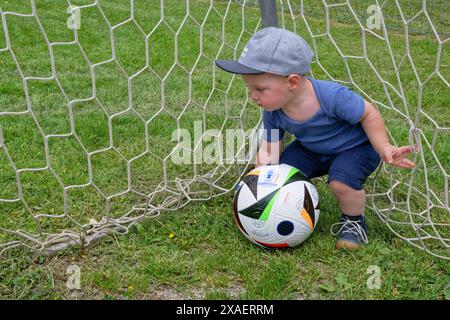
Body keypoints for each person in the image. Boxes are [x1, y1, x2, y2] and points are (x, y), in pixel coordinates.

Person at [215, 27, 416, 250]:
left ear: (292, 82)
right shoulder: (273, 110)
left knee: (341, 182)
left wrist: (383, 146)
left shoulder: (332, 97)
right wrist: (258, 183)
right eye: (249, 87)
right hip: (311, 150)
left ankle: (353, 222)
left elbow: (368, 113)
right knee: (281, 172)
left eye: (259, 88)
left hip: (355, 148)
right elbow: (269, 149)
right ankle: (288, 206)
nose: (252, 95)